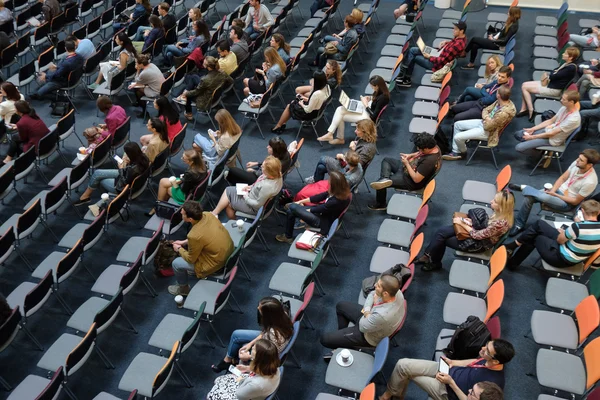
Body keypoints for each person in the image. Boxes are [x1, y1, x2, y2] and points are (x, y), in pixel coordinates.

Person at [379, 339, 515, 400]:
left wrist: (451, 383)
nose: (482, 349)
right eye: (486, 345)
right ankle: (393, 394)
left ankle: (391, 395)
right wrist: (453, 362)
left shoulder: (493, 384)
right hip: (448, 372)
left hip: (447, 392)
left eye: (487, 351)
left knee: (408, 373)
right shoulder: (487, 358)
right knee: (402, 364)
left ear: (496, 361)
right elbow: (474, 362)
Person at [507, 149, 600, 236]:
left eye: (581, 160)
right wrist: (553, 190)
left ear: (590, 165)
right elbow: (563, 178)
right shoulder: (576, 164)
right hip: (558, 191)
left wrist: (554, 195)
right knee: (530, 197)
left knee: (543, 197)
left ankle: (525, 188)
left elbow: (575, 201)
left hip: (567, 203)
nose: (577, 160)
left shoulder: (590, 181)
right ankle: (519, 224)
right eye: (578, 158)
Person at [416, 191, 514, 271]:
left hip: (479, 244)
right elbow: (487, 224)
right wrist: (470, 222)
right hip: (481, 232)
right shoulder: (502, 214)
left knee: (444, 239)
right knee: (441, 231)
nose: (491, 201)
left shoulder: (500, 223)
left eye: (495, 201)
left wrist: (462, 224)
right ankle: (428, 255)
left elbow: (477, 236)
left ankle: (434, 262)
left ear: (501, 207)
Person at [506, 199, 600, 269]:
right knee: (539, 224)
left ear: (582, 211)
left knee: (535, 236)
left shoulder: (578, 227)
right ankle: (513, 247)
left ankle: (512, 260)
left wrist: (569, 229)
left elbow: (560, 240)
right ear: (598, 212)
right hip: (573, 255)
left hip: (560, 258)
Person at [320, 275, 406, 350]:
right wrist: (368, 311)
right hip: (370, 317)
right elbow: (372, 294)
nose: (375, 285)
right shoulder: (396, 292)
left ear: (386, 294)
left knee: (324, 339)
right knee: (340, 306)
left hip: (368, 335)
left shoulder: (382, 315)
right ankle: (342, 340)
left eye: (378, 286)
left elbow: (362, 326)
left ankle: (344, 346)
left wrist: (372, 307)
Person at [168, 201, 234, 296]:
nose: (181, 214)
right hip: (228, 252)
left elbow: (191, 259)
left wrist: (179, 249)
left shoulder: (193, 235)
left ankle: (183, 289)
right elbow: (202, 236)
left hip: (218, 265)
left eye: (182, 214)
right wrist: (184, 242)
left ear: (190, 219)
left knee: (176, 263)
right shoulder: (208, 214)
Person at [211, 297, 293, 372]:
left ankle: (232, 361)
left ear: (268, 315)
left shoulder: (273, 335)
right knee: (236, 334)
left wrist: (249, 357)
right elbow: (264, 333)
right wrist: (250, 344)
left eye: (260, 309)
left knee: (243, 349)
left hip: (268, 355)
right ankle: (227, 361)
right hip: (268, 340)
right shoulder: (282, 315)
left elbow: (267, 356)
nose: (257, 308)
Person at [368, 132, 441, 210]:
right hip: (411, 167)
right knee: (387, 160)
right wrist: (411, 155)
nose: (418, 150)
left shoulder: (429, 162)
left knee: (379, 183)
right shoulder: (434, 146)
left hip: (410, 181)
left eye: (420, 148)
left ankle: (381, 204)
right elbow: (421, 152)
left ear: (426, 148)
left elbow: (416, 179)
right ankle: (385, 179)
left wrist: (406, 164)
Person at [276, 170, 352, 243]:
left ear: (334, 185)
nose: (328, 182)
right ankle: (288, 237)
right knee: (291, 211)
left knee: (292, 207)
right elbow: (319, 197)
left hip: (322, 222)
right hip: (322, 212)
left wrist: (305, 210)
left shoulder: (335, 201)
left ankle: (288, 236)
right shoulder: (341, 192)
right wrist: (300, 202)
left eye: (330, 181)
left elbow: (320, 209)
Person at [444, 85, 517, 160]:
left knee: (457, 137)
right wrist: (487, 118)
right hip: (484, 122)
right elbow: (485, 109)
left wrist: (486, 119)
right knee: (457, 125)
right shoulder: (499, 102)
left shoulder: (504, 113)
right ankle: (456, 151)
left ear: (498, 95)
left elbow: (488, 127)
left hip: (488, 132)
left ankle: (462, 152)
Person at [318, 75, 389, 145]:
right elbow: (376, 100)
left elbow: (374, 117)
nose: (372, 88)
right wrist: (370, 98)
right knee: (339, 109)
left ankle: (339, 138)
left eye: (372, 87)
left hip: (369, 118)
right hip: (367, 109)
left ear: (377, 86)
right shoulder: (380, 91)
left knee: (340, 117)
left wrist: (366, 105)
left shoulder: (383, 98)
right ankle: (330, 133)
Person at [74, 142, 150, 206]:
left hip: (121, 187)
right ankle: (85, 197)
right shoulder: (144, 158)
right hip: (128, 175)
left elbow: (124, 181)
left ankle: (85, 197)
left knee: (100, 179)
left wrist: (121, 168)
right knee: (97, 173)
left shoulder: (132, 169)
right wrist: (126, 165)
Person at [396, 21, 467, 88]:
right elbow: (452, 45)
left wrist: (429, 57)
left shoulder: (456, 45)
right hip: (438, 54)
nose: (453, 30)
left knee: (414, 57)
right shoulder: (461, 38)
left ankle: (406, 78)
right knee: (412, 50)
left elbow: (441, 61)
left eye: (455, 29)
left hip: (436, 64)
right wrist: (446, 42)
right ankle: (403, 74)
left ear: (461, 31)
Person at [514, 90, 581, 158]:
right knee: (518, 134)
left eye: (564, 99)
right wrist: (532, 129)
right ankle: (538, 148)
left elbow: (552, 134)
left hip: (553, 139)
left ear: (571, 102)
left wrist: (532, 137)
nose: (561, 100)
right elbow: (551, 121)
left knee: (519, 147)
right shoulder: (565, 107)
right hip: (549, 129)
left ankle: (541, 156)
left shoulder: (573, 119)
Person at [206, 339, 281, 400]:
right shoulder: (274, 367)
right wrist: (247, 368)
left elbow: (239, 395)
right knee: (219, 379)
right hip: (253, 388)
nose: (252, 348)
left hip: (245, 393)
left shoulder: (256, 384)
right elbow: (261, 369)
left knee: (211, 396)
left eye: (254, 349)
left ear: (258, 359)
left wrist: (240, 380)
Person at [308, 119, 378, 184]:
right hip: (348, 164)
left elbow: (355, 165)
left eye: (358, 130)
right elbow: (359, 149)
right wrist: (354, 144)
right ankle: (316, 183)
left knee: (323, 159)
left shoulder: (368, 149)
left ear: (365, 132)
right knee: (321, 167)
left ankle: (315, 180)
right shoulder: (366, 139)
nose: (355, 131)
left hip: (348, 171)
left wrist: (344, 156)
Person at [212, 156, 283, 219]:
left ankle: (228, 221)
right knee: (228, 190)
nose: (261, 167)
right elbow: (259, 183)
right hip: (252, 195)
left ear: (269, 172)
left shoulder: (267, 186)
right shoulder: (277, 174)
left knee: (229, 205)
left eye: (263, 167)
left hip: (253, 207)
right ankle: (214, 213)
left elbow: (257, 205)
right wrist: (250, 187)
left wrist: (246, 197)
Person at [518, 47, 579, 120]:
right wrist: (552, 74)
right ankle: (524, 109)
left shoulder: (571, 68)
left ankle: (531, 110)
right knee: (524, 84)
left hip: (554, 89)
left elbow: (553, 75)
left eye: (565, 53)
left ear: (571, 57)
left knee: (525, 88)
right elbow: (554, 71)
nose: (563, 54)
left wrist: (552, 74)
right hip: (551, 84)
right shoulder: (567, 64)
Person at [150, 149, 208, 214]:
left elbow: (184, 189)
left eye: (184, 159)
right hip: (195, 191)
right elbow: (189, 180)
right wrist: (182, 179)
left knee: (166, 188)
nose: (181, 158)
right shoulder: (203, 164)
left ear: (191, 162)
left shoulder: (190, 173)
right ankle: (162, 204)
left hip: (187, 196)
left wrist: (177, 182)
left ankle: (158, 206)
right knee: (163, 181)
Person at [292, 151, 363, 204]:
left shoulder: (350, 179)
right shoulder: (357, 164)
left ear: (347, 162)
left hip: (336, 189)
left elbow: (338, 188)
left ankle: (313, 186)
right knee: (321, 167)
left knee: (302, 194)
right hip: (338, 180)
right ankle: (315, 181)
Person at [175, 56, 233, 121]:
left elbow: (196, 92)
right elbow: (231, 81)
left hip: (206, 100)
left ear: (207, 67)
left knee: (188, 95)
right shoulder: (222, 72)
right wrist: (221, 87)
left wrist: (186, 93)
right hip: (215, 95)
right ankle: (183, 95)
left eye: (204, 63)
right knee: (194, 77)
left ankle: (189, 113)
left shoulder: (205, 80)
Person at [226, 137, 291, 185]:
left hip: (260, 180)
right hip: (266, 173)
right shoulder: (284, 153)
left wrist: (254, 171)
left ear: (276, 150)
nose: (267, 147)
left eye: (270, 147)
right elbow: (268, 164)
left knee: (232, 170)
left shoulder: (278, 164)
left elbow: (265, 175)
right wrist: (256, 163)